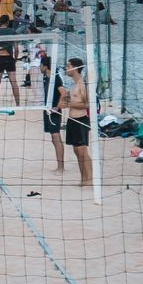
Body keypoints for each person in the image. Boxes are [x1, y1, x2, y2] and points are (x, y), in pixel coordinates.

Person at [59, 57, 92, 188]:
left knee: (82, 151)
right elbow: (67, 103)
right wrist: (64, 103)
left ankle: (89, 179)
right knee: (76, 152)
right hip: (72, 120)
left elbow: (87, 105)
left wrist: (69, 103)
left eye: (68, 66)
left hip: (81, 120)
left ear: (75, 68)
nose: (66, 69)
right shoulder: (73, 86)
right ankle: (83, 178)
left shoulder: (82, 85)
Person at [40, 50, 64, 173]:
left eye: (40, 65)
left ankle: (61, 167)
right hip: (47, 110)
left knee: (56, 137)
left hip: (53, 112)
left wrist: (57, 107)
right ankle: (60, 166)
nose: (39, 67)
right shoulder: (46, 77)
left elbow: (64, 93)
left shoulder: (55, 77)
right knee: (54, 138)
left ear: (45, 66)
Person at [0, 39, 21, 108]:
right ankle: (18, 105)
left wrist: (1, 47)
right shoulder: (12, 33)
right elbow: (16, 49)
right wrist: (15, 59)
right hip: (9, 58)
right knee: (14, 82)